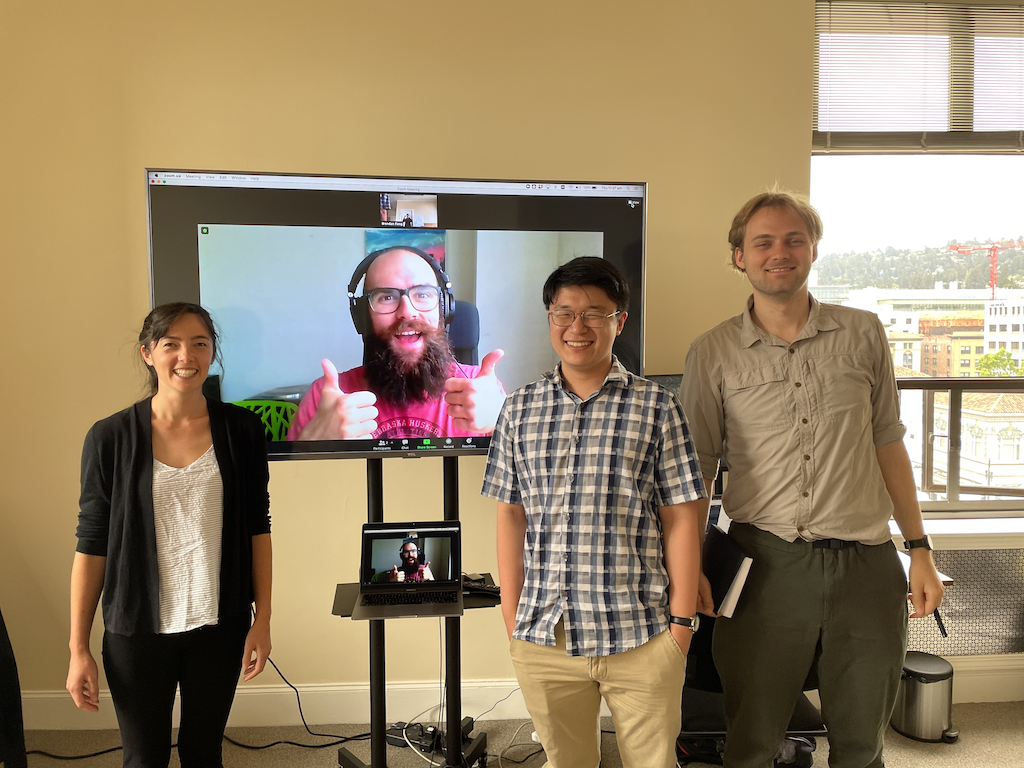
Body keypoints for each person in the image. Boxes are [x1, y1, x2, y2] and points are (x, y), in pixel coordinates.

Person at [680, 188, 945, 768]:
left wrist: (919, 548)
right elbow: (694, 467)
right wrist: (692, 564)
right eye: (763, 242)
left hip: (867, 567)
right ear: (739, 257)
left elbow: (887, 441)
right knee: (749, 739)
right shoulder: (713, 352)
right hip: (763, 566)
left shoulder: (863, 333)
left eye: (793, 239)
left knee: (860, 742)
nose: (780, 252)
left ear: (813, 249)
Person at [481, 257, 707, 768]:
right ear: (550, 318)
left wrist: (682, 625)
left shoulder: (657, 407)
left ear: (619, 321)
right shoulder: (519, 408)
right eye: (564, 313)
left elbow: (682, 518)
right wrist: (512, 617)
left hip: (643, 632)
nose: (577, 327)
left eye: (594, 314)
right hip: (544, 636)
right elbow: (510, 514)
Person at [67, 303, 273, 768]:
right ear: (148, 353)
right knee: (144, 759)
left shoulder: (242, 430)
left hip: (219, 627)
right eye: (171, 344)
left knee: (204, 754)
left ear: (213, 352)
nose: (187, 355)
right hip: (136, 630)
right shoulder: (109, 438)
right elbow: (92, 543)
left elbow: (258, 527)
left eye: (200, 343)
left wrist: (263, 617)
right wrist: (78, 648)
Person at [288, 246, 506, 441]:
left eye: (422, 294)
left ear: (444, 309)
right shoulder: (326, 398)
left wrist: (502, 425)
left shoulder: (481, 389)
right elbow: (288, 486)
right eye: (386, 297)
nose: (407, 312)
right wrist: (310, 447)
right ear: (364, 316)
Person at [370, 539, 434, 582]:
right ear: (401, 556)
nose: (410, 555)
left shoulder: (425, 569)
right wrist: (392, 581)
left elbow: (435, 591)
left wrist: (430, 578)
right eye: (406, 552)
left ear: (418, 554)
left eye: (413, 551)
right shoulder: (395, 572)